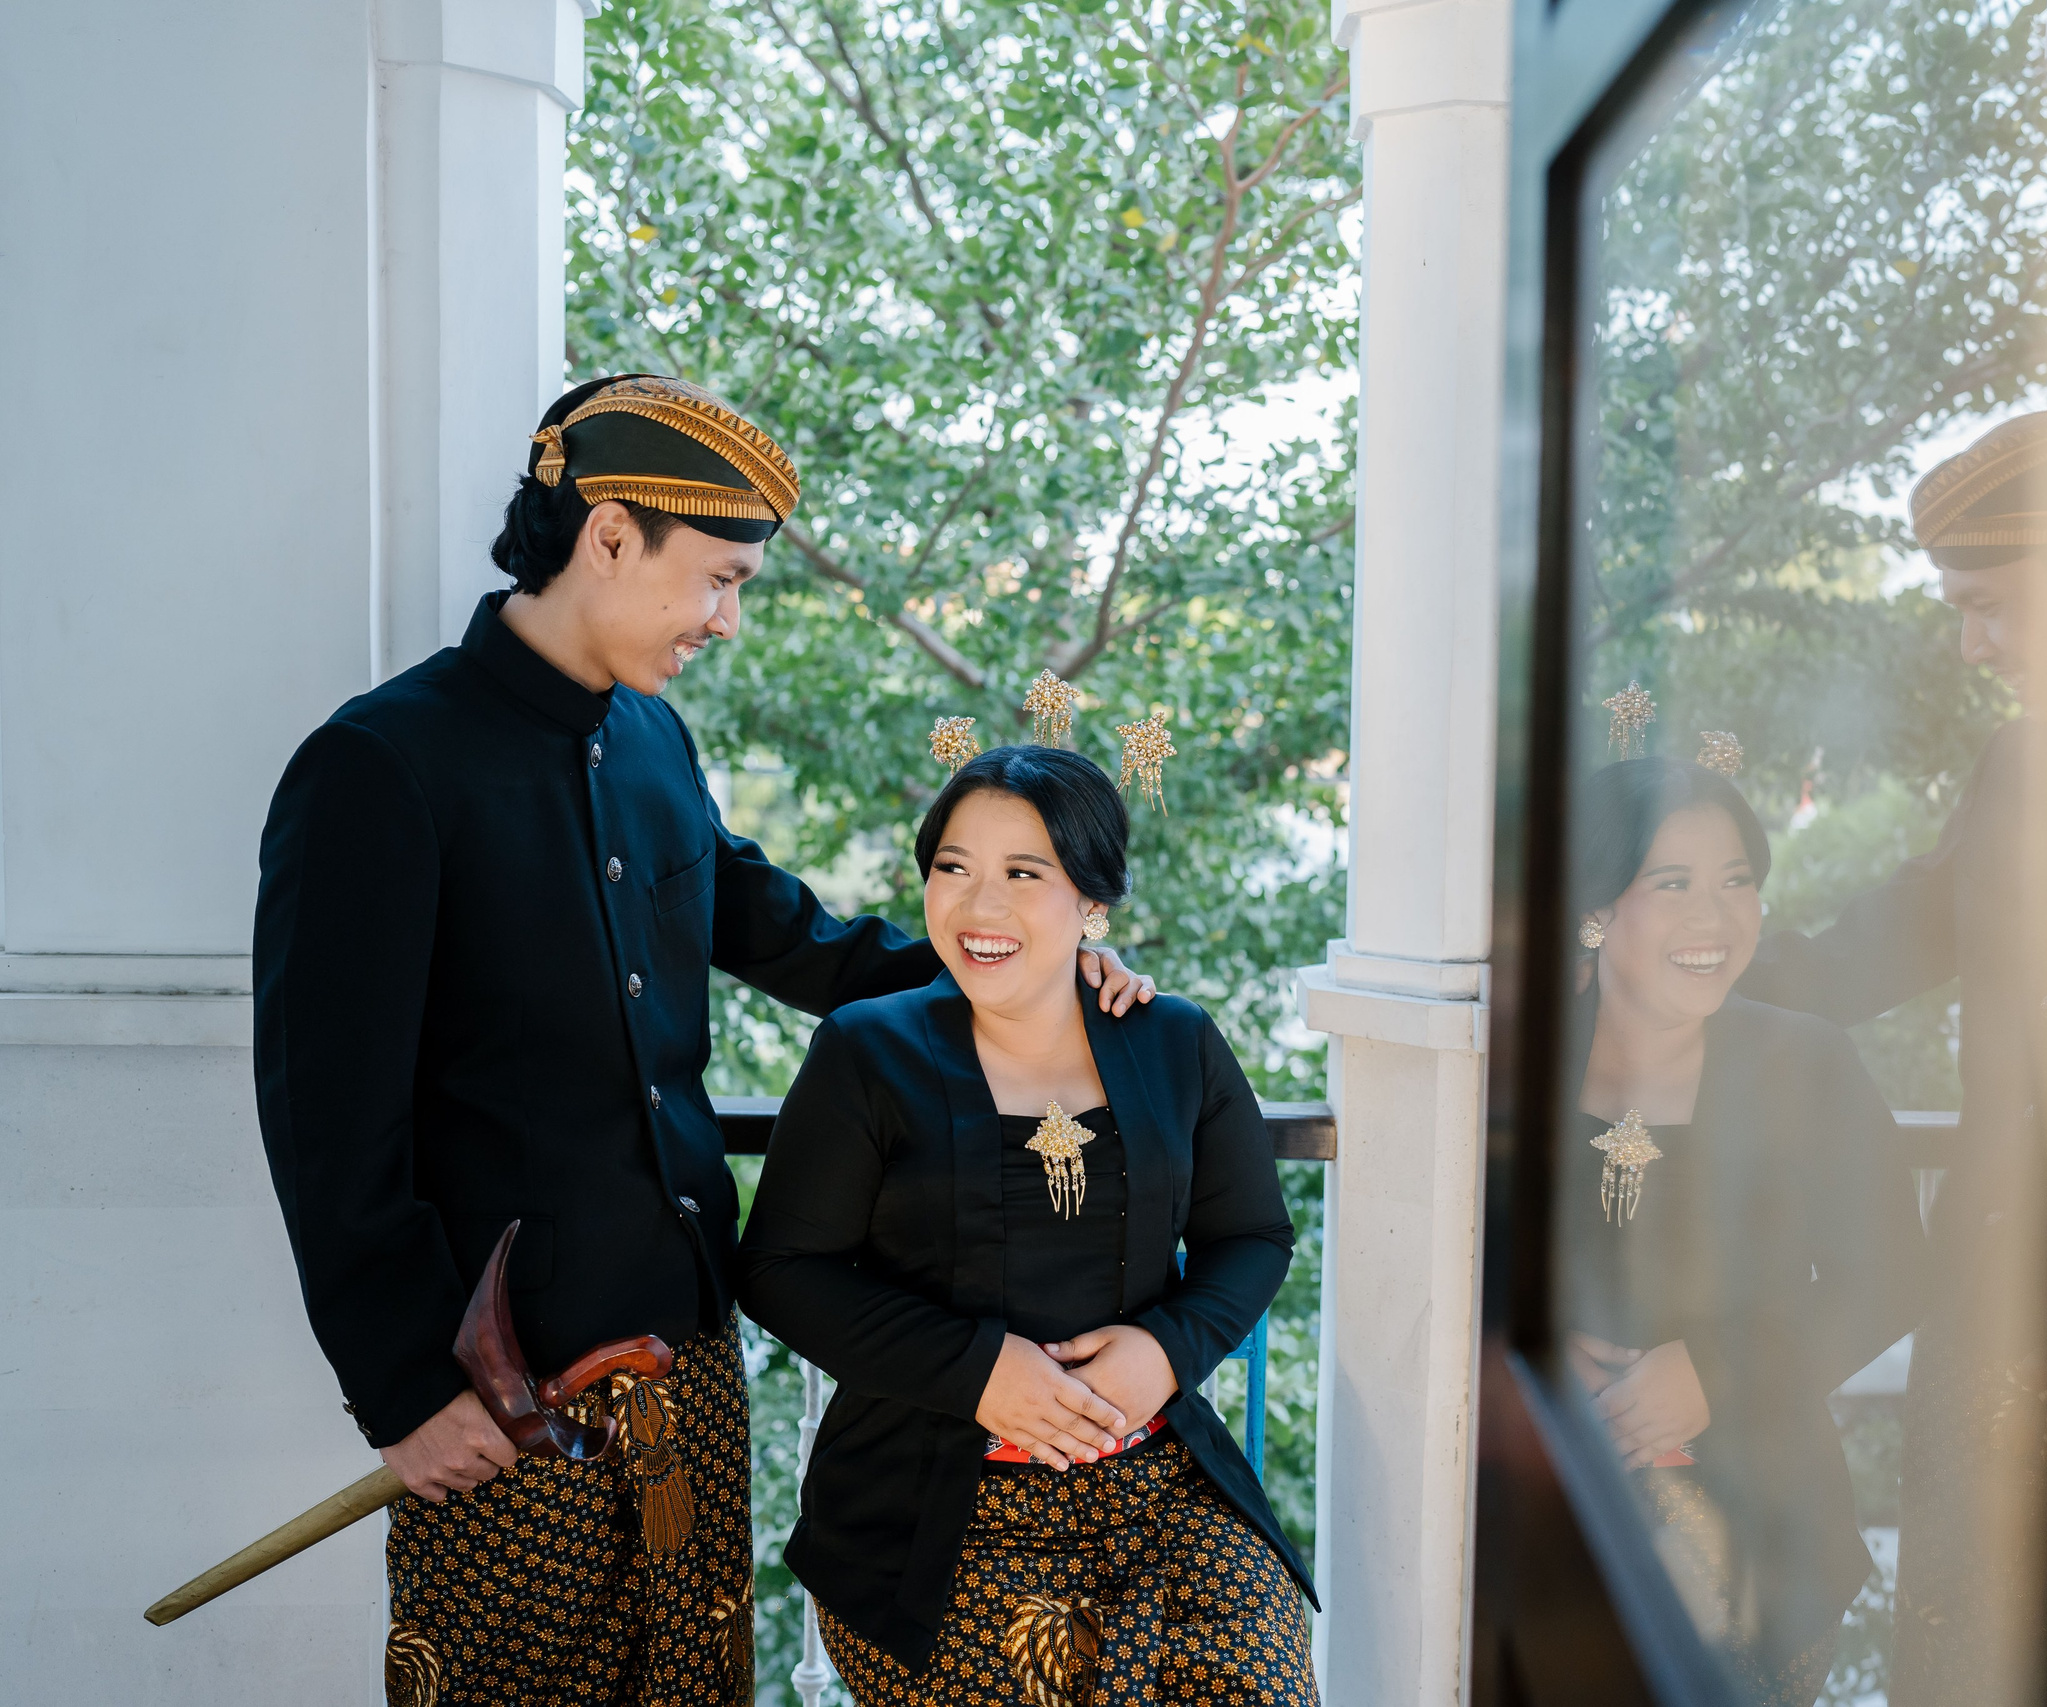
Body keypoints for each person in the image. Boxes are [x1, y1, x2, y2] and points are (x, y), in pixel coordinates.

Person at [252, 373, 1153, 1707]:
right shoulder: (380, 767)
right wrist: (400, 1385)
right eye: (719, 579)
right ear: (610, 533)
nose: (726, 620)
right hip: (507, 1406)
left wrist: (1024, 969)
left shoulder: (654, 743)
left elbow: (798, 938)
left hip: (693, 1360)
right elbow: (328, 1117)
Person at [737, 743, 1318, 1706]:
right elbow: (782, 1267)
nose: (980, 907)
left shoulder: (1175, 1041)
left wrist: (1166, 1352)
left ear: (1094, 901)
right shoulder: (867, 1051)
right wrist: (977, 1372)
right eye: (953, 869)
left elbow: (1252, 1236)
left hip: (1159, 1486)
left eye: (1023, 873)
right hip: (932, 1508)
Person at [1730, 407, 2047, 1707]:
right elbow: (1889, 936)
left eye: (1990, 602)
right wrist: (1693, 955)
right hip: (2003, 1294)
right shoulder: (2022, 760)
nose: (1972, 642)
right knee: (1961, 1643)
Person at [1563, 754, 1926, 1706]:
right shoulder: (1518, 1066)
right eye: (1673, 883)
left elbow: (1890, 1276)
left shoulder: (1808, 1062)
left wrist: (1711, 1372)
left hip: (1765, 1526)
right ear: (1595, 907)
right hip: (1556, 1510)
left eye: (1738, 884)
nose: (1716, 920)